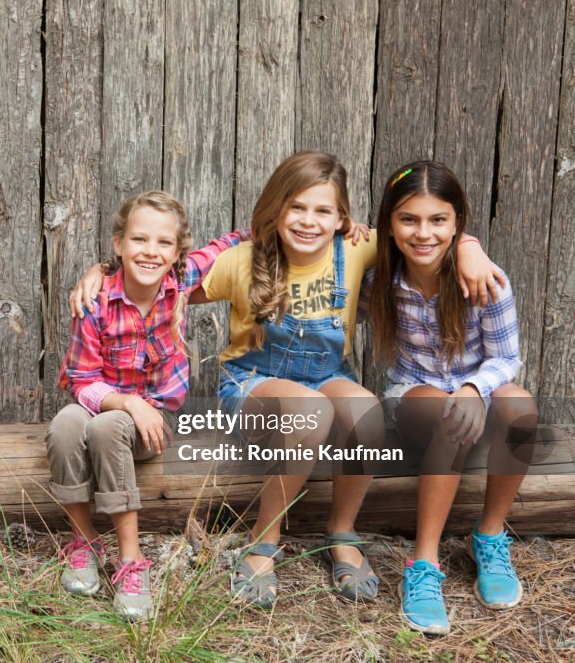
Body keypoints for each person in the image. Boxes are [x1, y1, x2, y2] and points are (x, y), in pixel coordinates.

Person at [189, 151, 502, 609]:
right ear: (276, 208)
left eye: (323, 210)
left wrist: (468, 246)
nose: (309, 221)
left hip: (327, 374)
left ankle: (342, 530)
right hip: (254, 381)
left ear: (342, 219)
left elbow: (420, 233)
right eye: (297, 207)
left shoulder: (356, 247)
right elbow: (167, 285)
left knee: (365, 410)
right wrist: (104, 276)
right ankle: (264, 538)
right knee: (310, 413)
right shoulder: (241, 260)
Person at [51, 190, 246, 620]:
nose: (150, 251)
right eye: (139, 240)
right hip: (108, 401)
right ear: (118, 244)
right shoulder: (95, 302)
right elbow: (81, 380)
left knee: (105, 429)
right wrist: (125, 401)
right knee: (65, 425)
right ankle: (83, 541)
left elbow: (238, 239)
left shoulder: (181, 282)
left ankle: (130, 560)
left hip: (153, 420)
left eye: (163, 243)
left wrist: (344, 228)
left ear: (178, 252)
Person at [367, 161, 536, 635]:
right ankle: (423, 564)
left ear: (457, 221)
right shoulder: (378, 276)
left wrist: (471, 388)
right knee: (447, 416)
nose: (423, 233)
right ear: (389, 224)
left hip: (476, 386)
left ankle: (489, 535)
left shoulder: (485, 280)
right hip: (414, 394)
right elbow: (328, 247)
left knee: (520, 406)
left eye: (438, 220)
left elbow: (506, 359)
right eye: (408, 219)